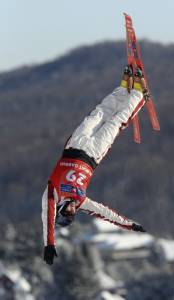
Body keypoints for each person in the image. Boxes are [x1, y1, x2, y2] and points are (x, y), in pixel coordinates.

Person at [42, 65, 147, 265]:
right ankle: (138, 95)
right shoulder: (82, 202)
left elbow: (47, 219)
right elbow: (106, 214)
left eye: (68, 211)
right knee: (115, 123)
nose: (72, 209)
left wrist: (49, 244)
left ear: (60, 209)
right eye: (73, 213)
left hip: (74, 146)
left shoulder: (52, 194)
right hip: (93, 154)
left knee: (97, 114)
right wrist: (129, 225)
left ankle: (123, 89)